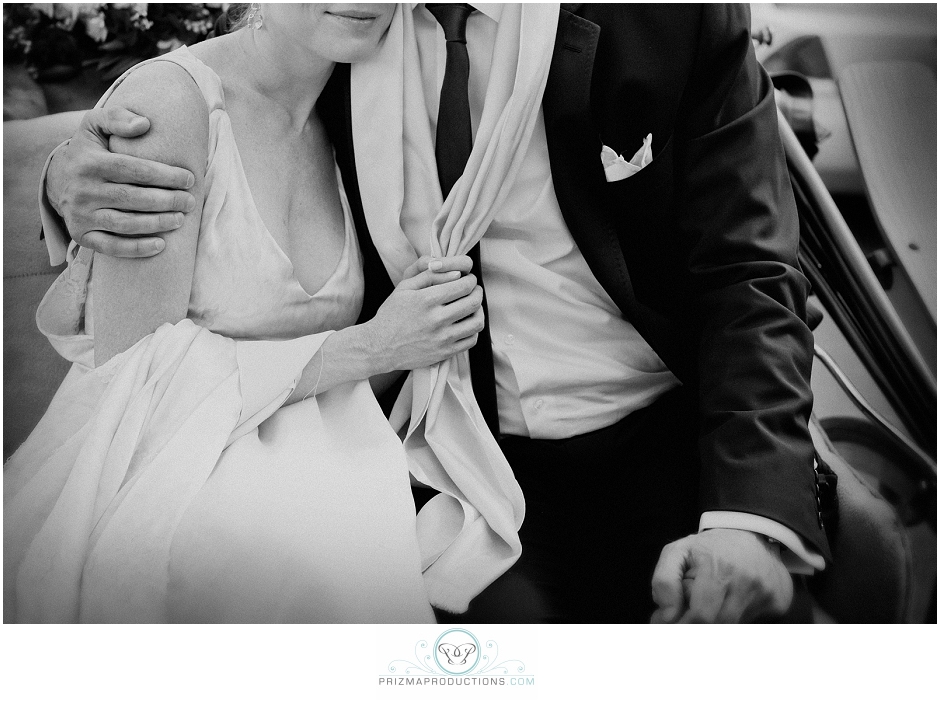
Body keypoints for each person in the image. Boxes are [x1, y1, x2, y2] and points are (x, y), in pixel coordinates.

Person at [37, 3, 833, 623]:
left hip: (663, 423)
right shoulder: (349, 47)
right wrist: (61, 179)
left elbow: (749, 266)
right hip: (447, 450)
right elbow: (208, 109)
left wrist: (751, 516)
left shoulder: (661, 16)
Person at [4, 4, 505, 623]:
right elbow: (130, 379)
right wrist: (373, 346)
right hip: (164, 491)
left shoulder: (365, 105)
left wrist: (420, 339)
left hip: (326, 474)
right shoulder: (172, 104)